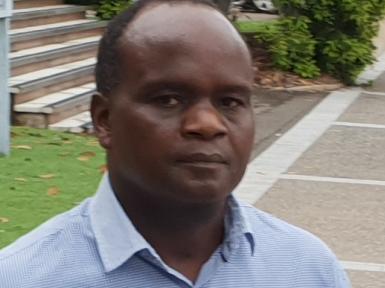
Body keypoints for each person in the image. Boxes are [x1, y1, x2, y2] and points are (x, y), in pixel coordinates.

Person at [0, 0, 351, 287]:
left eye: (230, 102)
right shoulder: (24, 277)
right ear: (104, 120)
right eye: (169, 99)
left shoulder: (308, 269)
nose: (207, 124)